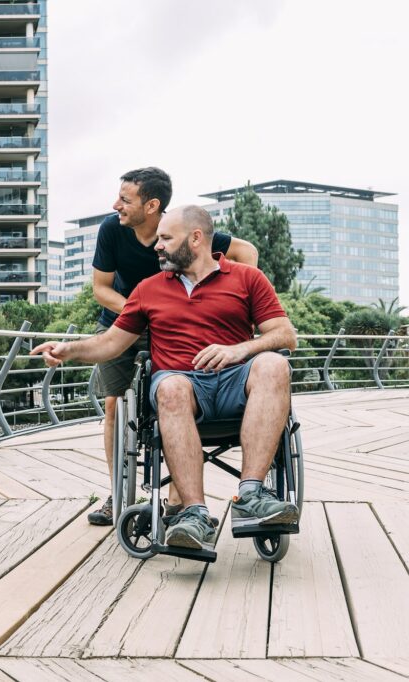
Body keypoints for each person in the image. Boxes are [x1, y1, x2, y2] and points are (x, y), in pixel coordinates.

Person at [33, 205, 298, 551]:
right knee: (170, 387)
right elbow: (111, 342)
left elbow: (285, 334)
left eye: (166, 238)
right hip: (182, 385)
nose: (157, 246)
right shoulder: (148, 289)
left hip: (237, 382)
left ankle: (251, 495)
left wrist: (239, 350)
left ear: (196, 238)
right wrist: (69, 350)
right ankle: (193, 513)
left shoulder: (247, 278)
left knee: (275, 365)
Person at [85, 167, 259, 526]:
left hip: (173, 321)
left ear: (152, 206)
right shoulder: (111, 229)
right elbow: (101, 289)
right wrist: (141, 311)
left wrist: (238, 297)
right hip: (124, 319)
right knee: (115, 407)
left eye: (125, 199)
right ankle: (118, 493)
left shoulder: (179, 231)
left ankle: (177, 497)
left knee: (174, 396)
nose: (116, 204)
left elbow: (247, 251)